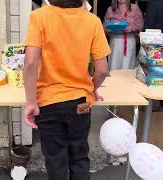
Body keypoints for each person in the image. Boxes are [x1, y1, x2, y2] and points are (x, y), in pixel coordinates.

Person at [23, 0, 111, 179]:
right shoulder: (93, 21)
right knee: (79, 157)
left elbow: (30, 63)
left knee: (56, 161)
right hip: (81, 102)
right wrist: (91, 89)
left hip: (49, 102)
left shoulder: (39, 17)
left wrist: (31, 102)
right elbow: (102, 70)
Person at [104, 0, 143, 70]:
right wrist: (114, 28)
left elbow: (140, 25)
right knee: (114, 65)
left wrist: (131, 28)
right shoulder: (110, 9)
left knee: (127, 66)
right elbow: (105, 27)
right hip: (115, 42)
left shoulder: (135, 8)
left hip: (129, 41)